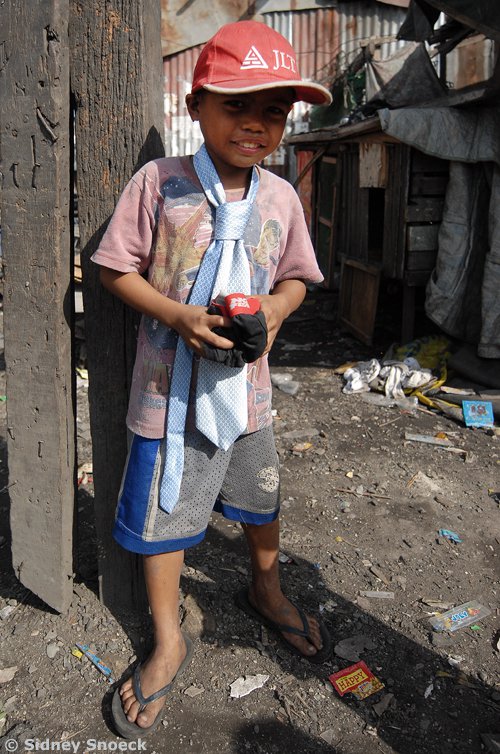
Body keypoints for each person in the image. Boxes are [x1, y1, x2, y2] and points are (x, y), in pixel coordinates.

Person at [91, 19, 333, 739]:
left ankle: (267, 587)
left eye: (274, 111)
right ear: (195, 107)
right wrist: (178, 315)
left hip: (247, 395)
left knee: (261, 500)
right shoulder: (160, 184)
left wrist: (276, 309)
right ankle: (168, 637)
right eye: (237, 106)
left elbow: (297, 277)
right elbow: (113, 268)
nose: (256, 124)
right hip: (167, 396)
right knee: (165, 518)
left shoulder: (280, 198)